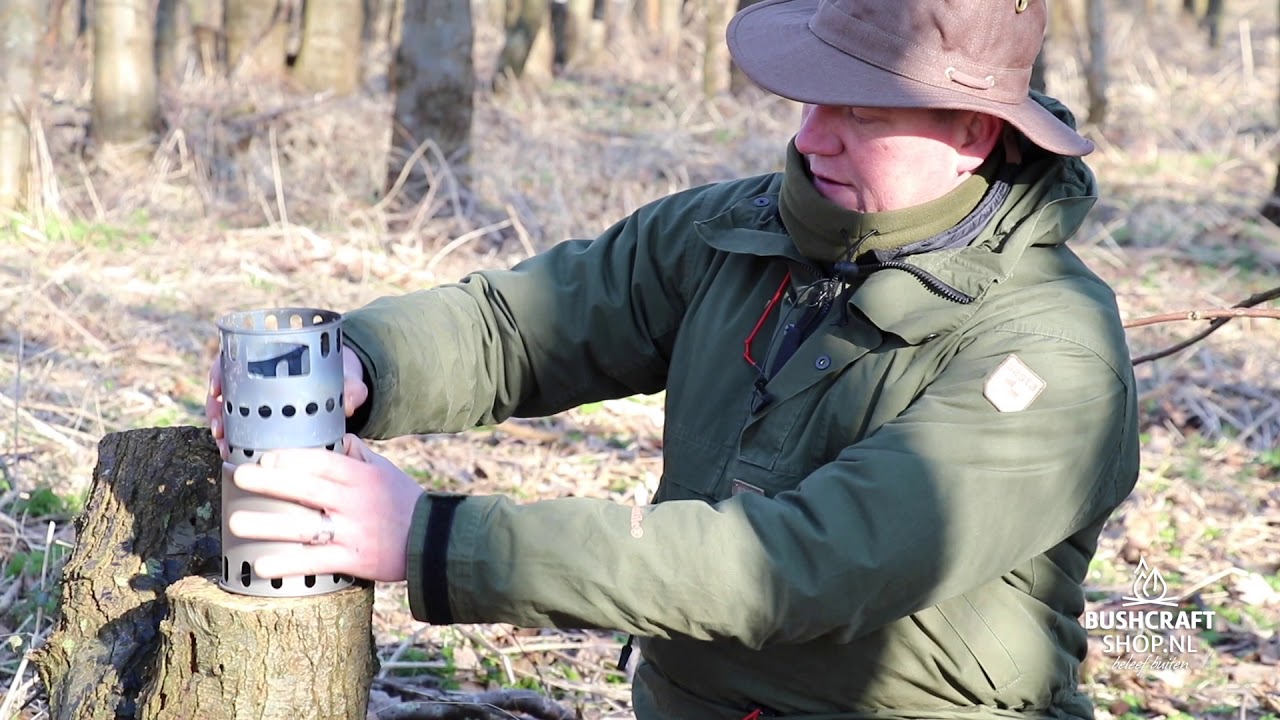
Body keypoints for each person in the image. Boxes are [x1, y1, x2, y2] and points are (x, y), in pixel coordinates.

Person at [207, 0, 1141, 716]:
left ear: (973, 132)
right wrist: (358, 360)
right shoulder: (740, 230)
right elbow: (524, 326)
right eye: (812, 97)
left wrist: (437, 538)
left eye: (861, 112)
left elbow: (804, 563)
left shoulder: (1051, 356)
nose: (811, 136)